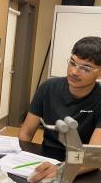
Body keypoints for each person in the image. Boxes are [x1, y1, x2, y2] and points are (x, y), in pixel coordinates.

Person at [19, 36, 101, 182]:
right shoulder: (48, 88)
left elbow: (93, 156)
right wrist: (19, 161)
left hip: (83, 165)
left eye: (85, 68)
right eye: (72, 63)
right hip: (45, 158)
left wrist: (62, 169)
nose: (74, 72)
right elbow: (26, 132)